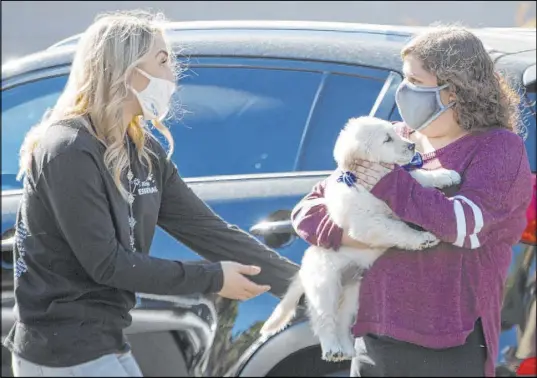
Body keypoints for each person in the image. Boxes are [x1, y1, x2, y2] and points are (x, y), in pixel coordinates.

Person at [4, 10, 298, 377]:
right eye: (163, 60)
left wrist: (306, 288)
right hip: (62, 353)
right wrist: (213, 278)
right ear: (126, 71)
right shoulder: (68, 149)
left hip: (104, 342)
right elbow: (107, 264)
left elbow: (209, 230)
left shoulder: (142, 151)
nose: (173, 75)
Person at [291, 25, 532, 377]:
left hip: (451, 342)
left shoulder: (497, 149)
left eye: (416, 82)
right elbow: (310, 208)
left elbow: (462, 225)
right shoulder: (397, 138)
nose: (404, 91)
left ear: (452, 92)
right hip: (375, 335)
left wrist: (392, 184)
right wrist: (349, 231)